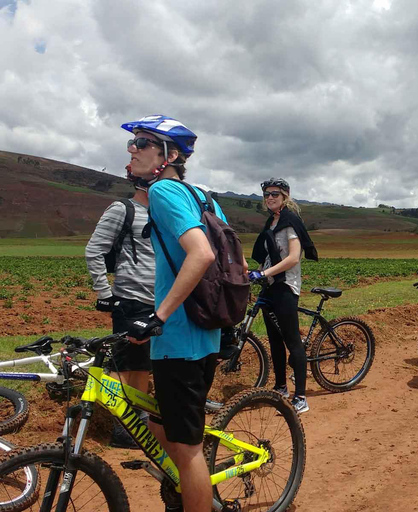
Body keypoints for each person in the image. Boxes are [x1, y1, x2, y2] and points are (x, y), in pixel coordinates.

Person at [123, 115, 226, 512]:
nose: (132, 150)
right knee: (158, 424)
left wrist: (158, 316)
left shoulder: (164, 190)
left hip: (179, 334)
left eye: (143, 143)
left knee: (187, 451)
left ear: (170, 156)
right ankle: (187, 489)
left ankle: (194, 489)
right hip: (207, 328)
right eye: (132, 143)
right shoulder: (204, 196)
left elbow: (204, 254)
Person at [85, 167, 155, 449]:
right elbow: (94, 250)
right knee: (125, 365)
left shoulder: (162, 214)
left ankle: (136, 422)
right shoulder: (122, 209)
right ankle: (121, 428)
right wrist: (105, 292)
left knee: (142, 366)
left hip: (158, 302)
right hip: (131, 298)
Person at [251, 178, 318, 415]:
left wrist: (265, 272)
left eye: (275, 194)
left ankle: (301, 397)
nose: (270, 198)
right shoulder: (272, 221)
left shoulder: (289, 221)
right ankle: (281, 387)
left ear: (285, 196)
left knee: (292, 341)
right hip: (270, 286)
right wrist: (257, 272)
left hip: (286, 287)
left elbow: (293, 258)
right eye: (267, 194)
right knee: (275, 341)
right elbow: (268, 254)